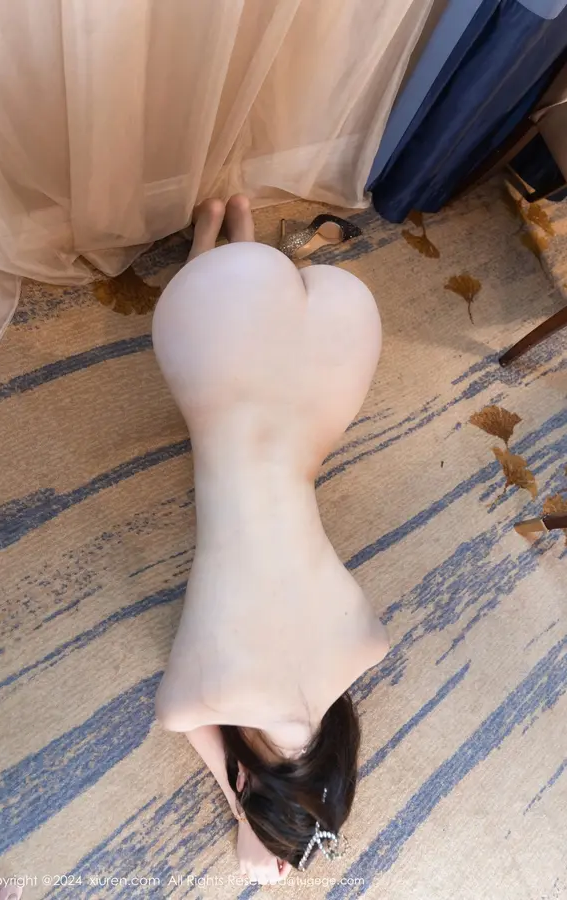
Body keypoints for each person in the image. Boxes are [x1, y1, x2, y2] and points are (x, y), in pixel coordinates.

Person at [152, 195, 389, 885]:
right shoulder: (212, 697)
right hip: (226, 373)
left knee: (253, 305)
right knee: (207, 334)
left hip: (332, 360)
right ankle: (214, 239)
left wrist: (284, 811)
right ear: (251, 781)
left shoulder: (368, 645)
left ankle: (241, 229)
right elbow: (185, 725)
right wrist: (246, 816)